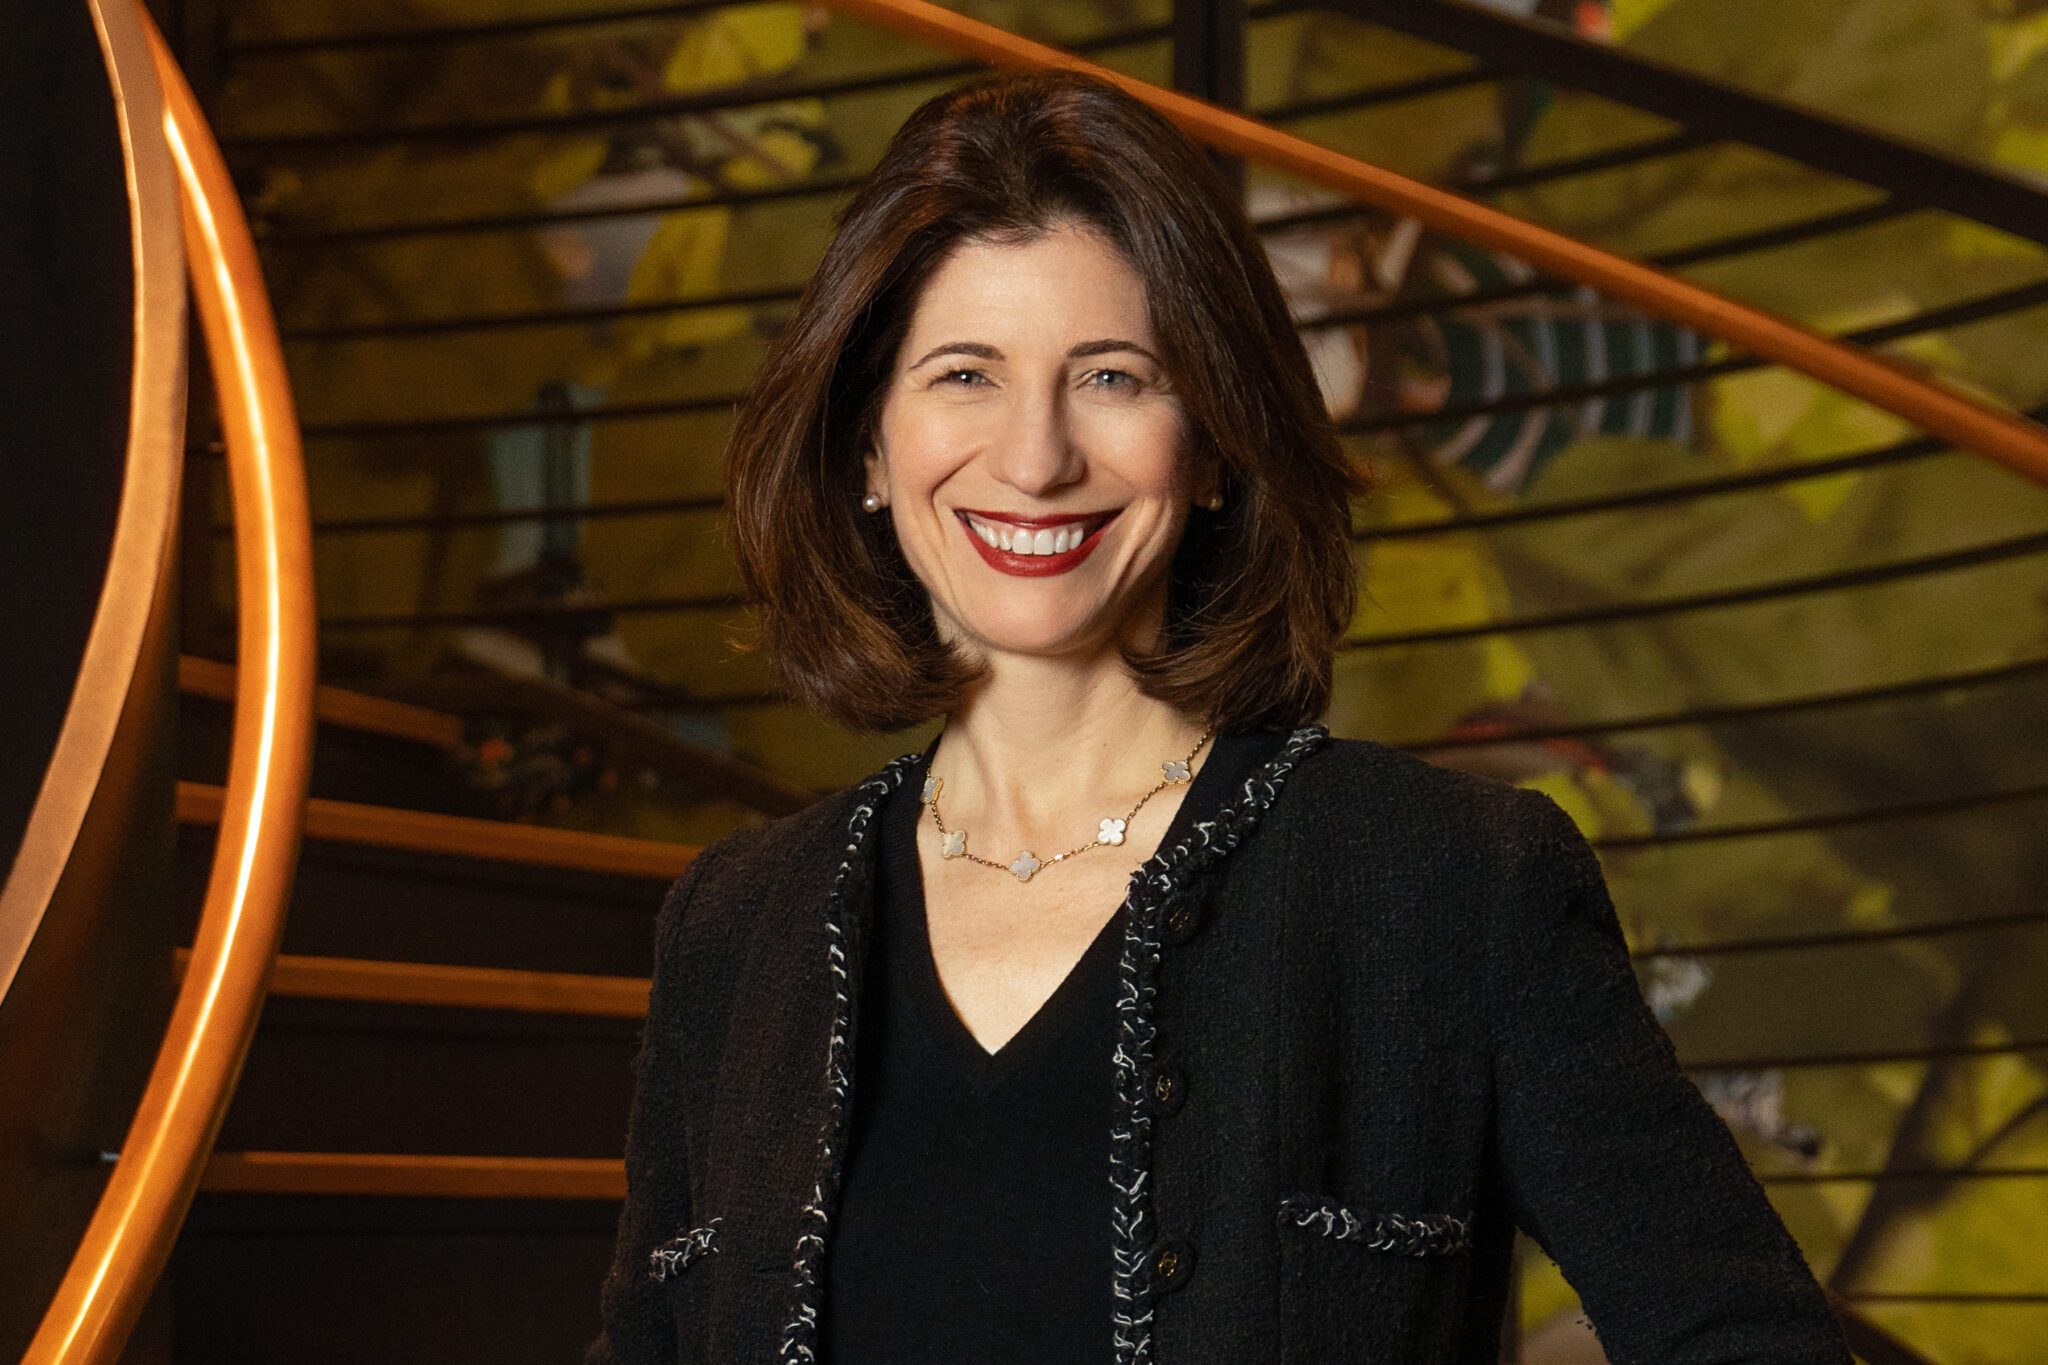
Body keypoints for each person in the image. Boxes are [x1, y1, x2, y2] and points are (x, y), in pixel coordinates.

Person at [584, 69, 1851, 1365]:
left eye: (1114, 376)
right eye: (965, 373)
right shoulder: (737, 926)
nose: (1035, 456)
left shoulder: (1447, 885)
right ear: (868, 447)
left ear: (1216, 444)